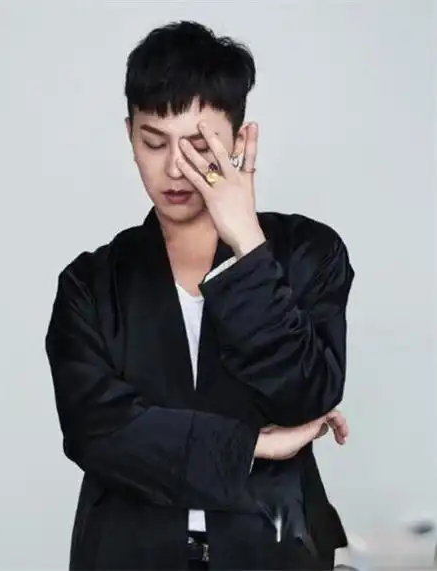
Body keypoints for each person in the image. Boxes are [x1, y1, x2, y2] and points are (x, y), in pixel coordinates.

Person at [45, 20, 354, 570]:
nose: (174, 168)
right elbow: (98, 432)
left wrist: (248, 248)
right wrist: (252, 445)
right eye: (153, 142)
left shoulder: (309, 253)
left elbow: (306, 397)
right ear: (130, 137)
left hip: (274, 551)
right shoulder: (89, 284)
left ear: (238, 141)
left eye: (197, 145)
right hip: (128, 555)